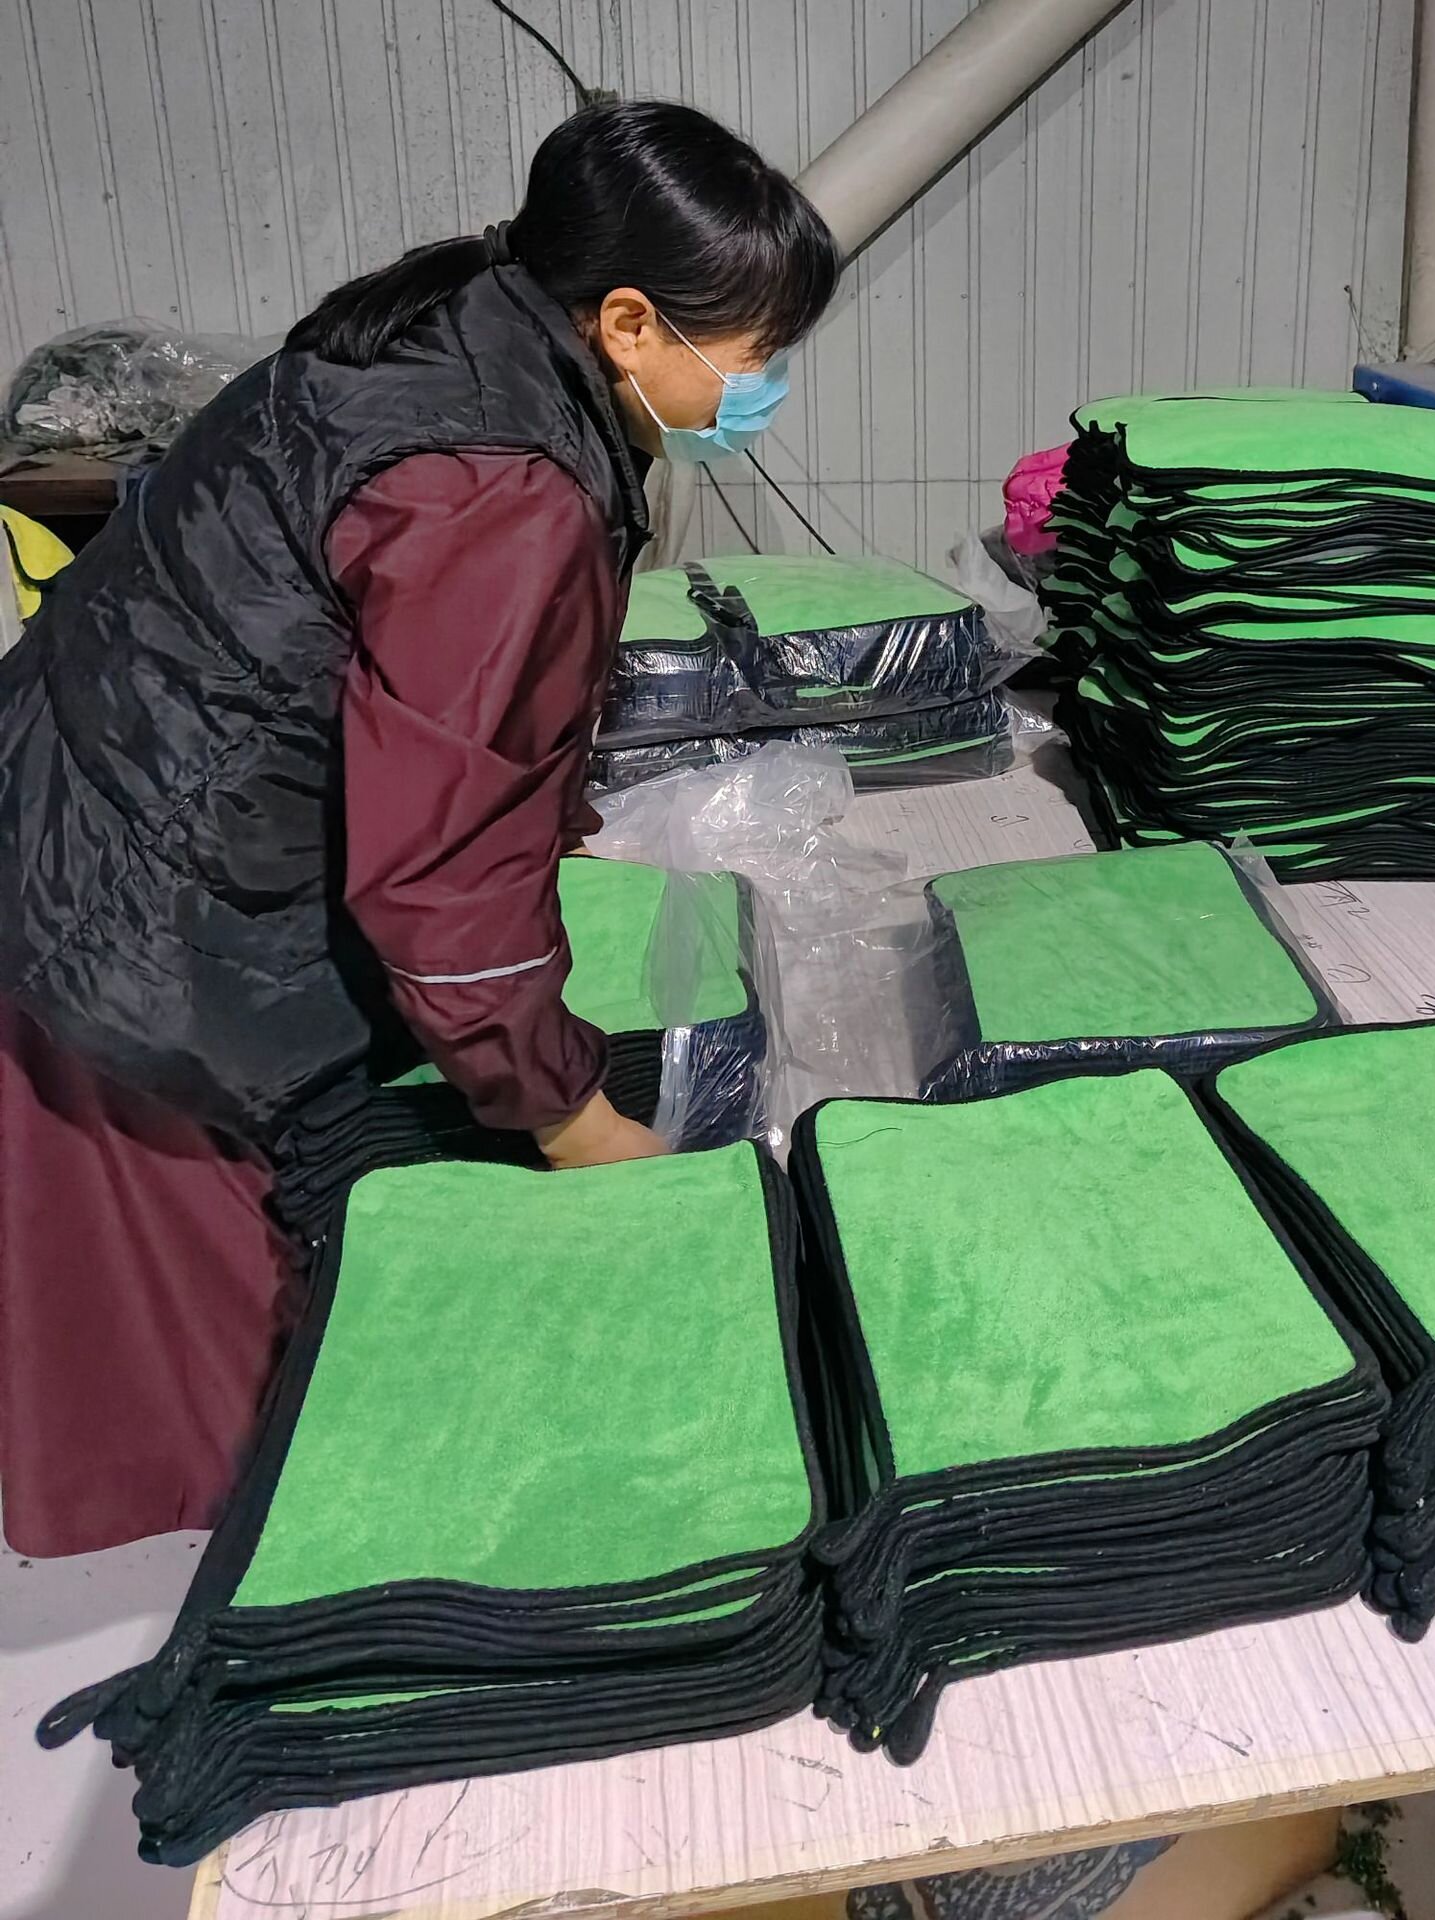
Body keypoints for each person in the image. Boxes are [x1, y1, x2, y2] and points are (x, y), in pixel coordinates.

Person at [0, 101, 837, 1557]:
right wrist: (567, 1113)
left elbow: (438, 711)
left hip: (79, 792)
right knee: (310, 1424)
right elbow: (439, 869)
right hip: (143, 908)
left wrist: (551, 811)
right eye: (755, 355)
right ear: (628, 322)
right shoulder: (502, 488)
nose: (761, 389)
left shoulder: (458, 327)